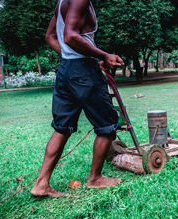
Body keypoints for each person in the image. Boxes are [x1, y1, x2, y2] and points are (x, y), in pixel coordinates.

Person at [31, 0, 124, 197]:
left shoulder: (62, 2)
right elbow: (71, 36)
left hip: (67, 69)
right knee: (107, 125)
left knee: (61, 128)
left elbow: (50, 36)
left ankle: (42, 184)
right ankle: (95, 178)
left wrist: (69, 56)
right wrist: (104, 55)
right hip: (83, 70)